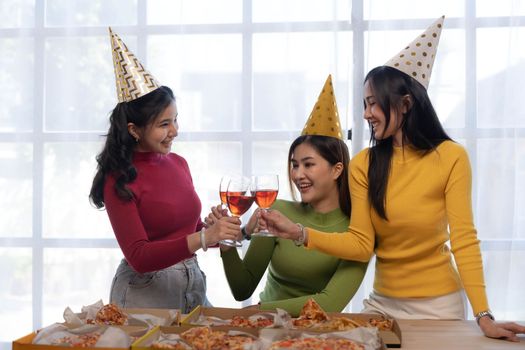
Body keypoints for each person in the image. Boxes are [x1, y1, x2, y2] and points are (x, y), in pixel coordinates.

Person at [258, 17, 525, 341]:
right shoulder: (363, 164)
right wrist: (299, 232)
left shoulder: (452, 158)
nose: (367, 113)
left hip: (440, 307)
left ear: (405, 104)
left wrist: (484, 316)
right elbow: (360, 244)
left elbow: (464, 240)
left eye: (373, 103)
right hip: (382, 305)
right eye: (364, 104)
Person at [89, 28, 240, 313]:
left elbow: (187, 230)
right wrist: (204, 238)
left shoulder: (179, 163)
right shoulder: (118, 179)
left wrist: (221, 230)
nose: (175, 132)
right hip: (145, 295)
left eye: (175, 120)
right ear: (134, 129)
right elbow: (139, 257)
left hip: (191, 285)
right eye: (163, 124)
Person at [208, 75, 367, 317]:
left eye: (308, 164)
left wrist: (261, 311)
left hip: (317, 335)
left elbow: (330, 303)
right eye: (294, 165)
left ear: (337, 170)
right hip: (264, 330)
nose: (298, 174)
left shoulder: (356, 231)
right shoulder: (277, 212)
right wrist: (227, 242)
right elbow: (242, 288)